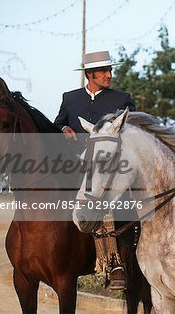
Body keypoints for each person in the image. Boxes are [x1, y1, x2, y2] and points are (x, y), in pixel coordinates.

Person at [54, 50, 136, 290]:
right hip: (75, 165)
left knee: (113, 201)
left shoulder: (122, 98)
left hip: (109, 168)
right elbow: (59, 122)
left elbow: (134, 130)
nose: (109, 75)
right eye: (104, 71)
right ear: (90, 74)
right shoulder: (70, 98)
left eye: (110, 70)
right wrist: (63, 130)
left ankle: (116, 263)